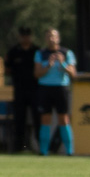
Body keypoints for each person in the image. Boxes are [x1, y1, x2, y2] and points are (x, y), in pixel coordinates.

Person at [34, 28, 77, 156]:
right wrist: (49, 65)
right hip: (45, 88)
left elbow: (73, 74)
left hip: (61, 88)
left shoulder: (67, 53)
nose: (51, 38)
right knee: (45, 119)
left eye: (53, 36)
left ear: (58, 38)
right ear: (45, 39)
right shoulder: (40, 53)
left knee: (63, 119)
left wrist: (62, 63)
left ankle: (70, 152)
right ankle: (43, 151)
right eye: (48, 36)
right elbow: (37, 74)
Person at [3, 27, 39, 154]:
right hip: (19, 89)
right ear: (19, 37)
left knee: (37, 118)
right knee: (19, 119)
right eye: (23, 36)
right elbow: (7, 70)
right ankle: (18, 147)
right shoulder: (13, 51)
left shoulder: (37, 51)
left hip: (35, 90)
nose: (25, 38)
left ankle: (40, 146)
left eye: (27, 35)